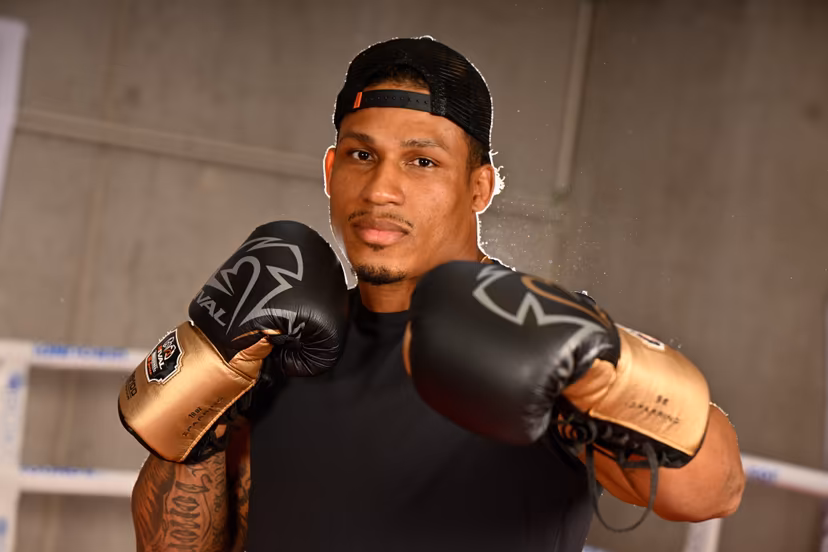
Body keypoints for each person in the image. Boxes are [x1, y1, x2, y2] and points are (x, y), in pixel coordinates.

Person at [121, 37, 745, 552]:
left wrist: (603, 369)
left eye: (422, 162)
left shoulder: (531, 339)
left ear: (480, 187)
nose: (381, 190)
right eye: (363, 155)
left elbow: (712, 492)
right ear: (332, 172)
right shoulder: (280, 341)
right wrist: (209, 372)